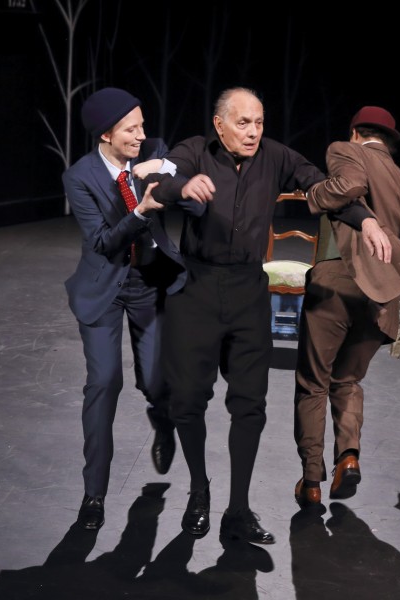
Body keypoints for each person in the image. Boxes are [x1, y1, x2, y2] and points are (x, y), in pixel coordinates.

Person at [147, 87, 384, 545]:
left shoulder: (276, 156)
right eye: (243, 123)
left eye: (259, 122)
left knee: (250, 406)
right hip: (196, 288)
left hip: (247, 291)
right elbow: (161, 179)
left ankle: (238, 510)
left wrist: (366, 219)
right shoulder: (194, 150)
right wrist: (184, 187)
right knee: (188, 401)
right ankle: (199, 490)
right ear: (220, 125)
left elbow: (324, 187)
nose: (253, 131)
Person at [62, 87, 203, 530]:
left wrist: (171, 174)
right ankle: (94, 494)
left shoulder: (154, 152)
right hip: (104, 287)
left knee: (156, 381)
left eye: (142, 125)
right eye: (131, 129)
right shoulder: (80, 176)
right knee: (104, 382)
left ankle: (161, 418)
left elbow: (186, 191)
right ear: (106, 134)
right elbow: (103, 242)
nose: (142, 135)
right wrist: (140, 211)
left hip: (149, 283)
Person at [293, 106, 400, 509]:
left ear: (356, 132)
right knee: (348, 381)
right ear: (390, 142)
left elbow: (349, 185)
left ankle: (311, 481)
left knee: (313, 383)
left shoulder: (345, 150)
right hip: (382, 295)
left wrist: (314, 195)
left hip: (337, 282)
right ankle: (348, 457)